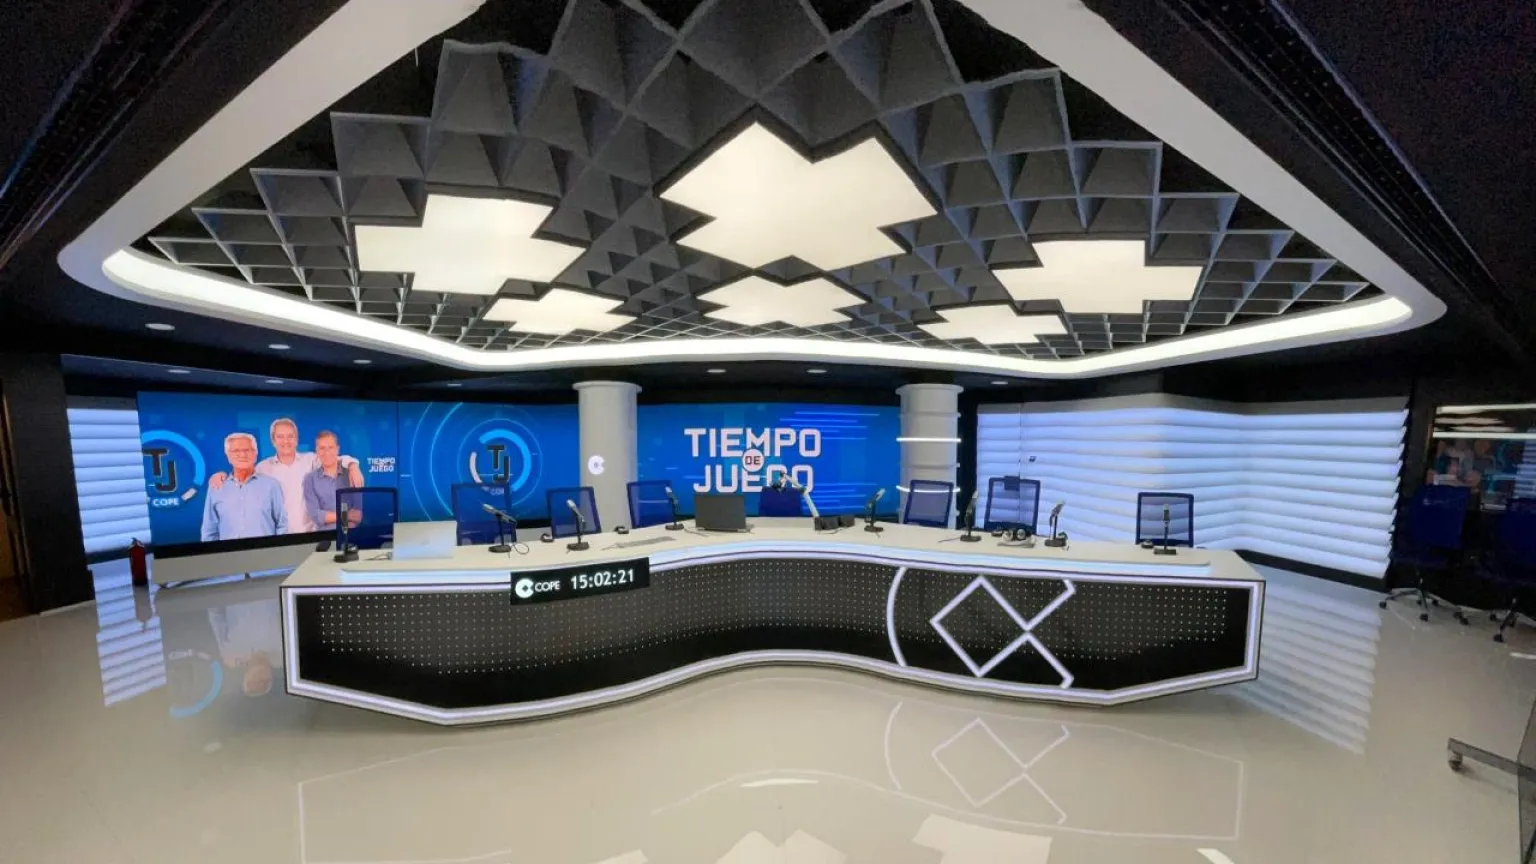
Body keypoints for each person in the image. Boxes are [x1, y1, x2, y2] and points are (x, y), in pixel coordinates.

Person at [210, 417, 362, 533]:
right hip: (280, 537)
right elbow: (242, 477)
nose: (286, 441)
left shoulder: (310, 460)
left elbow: (333, 458)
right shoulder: (263, 468)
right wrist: (221, 475)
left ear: (296, 439)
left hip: (311, 534)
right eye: (280, 437)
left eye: (290, 436)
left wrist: (353, 465)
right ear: (273, 440)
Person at [200, 433, 287, 541]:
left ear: (255, 454)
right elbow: (209, 531)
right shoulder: (216, 486)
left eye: (247, 450)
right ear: (228, 456)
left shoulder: (271, 485)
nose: (242, 455)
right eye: (236, 451)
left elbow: (282, 525)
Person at [302, 430, 361, 530]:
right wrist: (347, 515)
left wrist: (331, 517)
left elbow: (358, 515)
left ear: (337, 449)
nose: (326, 452)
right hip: (324, 536)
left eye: (330, 447)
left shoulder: (352, 474)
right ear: (317, 450)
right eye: (322, 448)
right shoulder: (310, 479)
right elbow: (316, 515)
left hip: (351, 534)